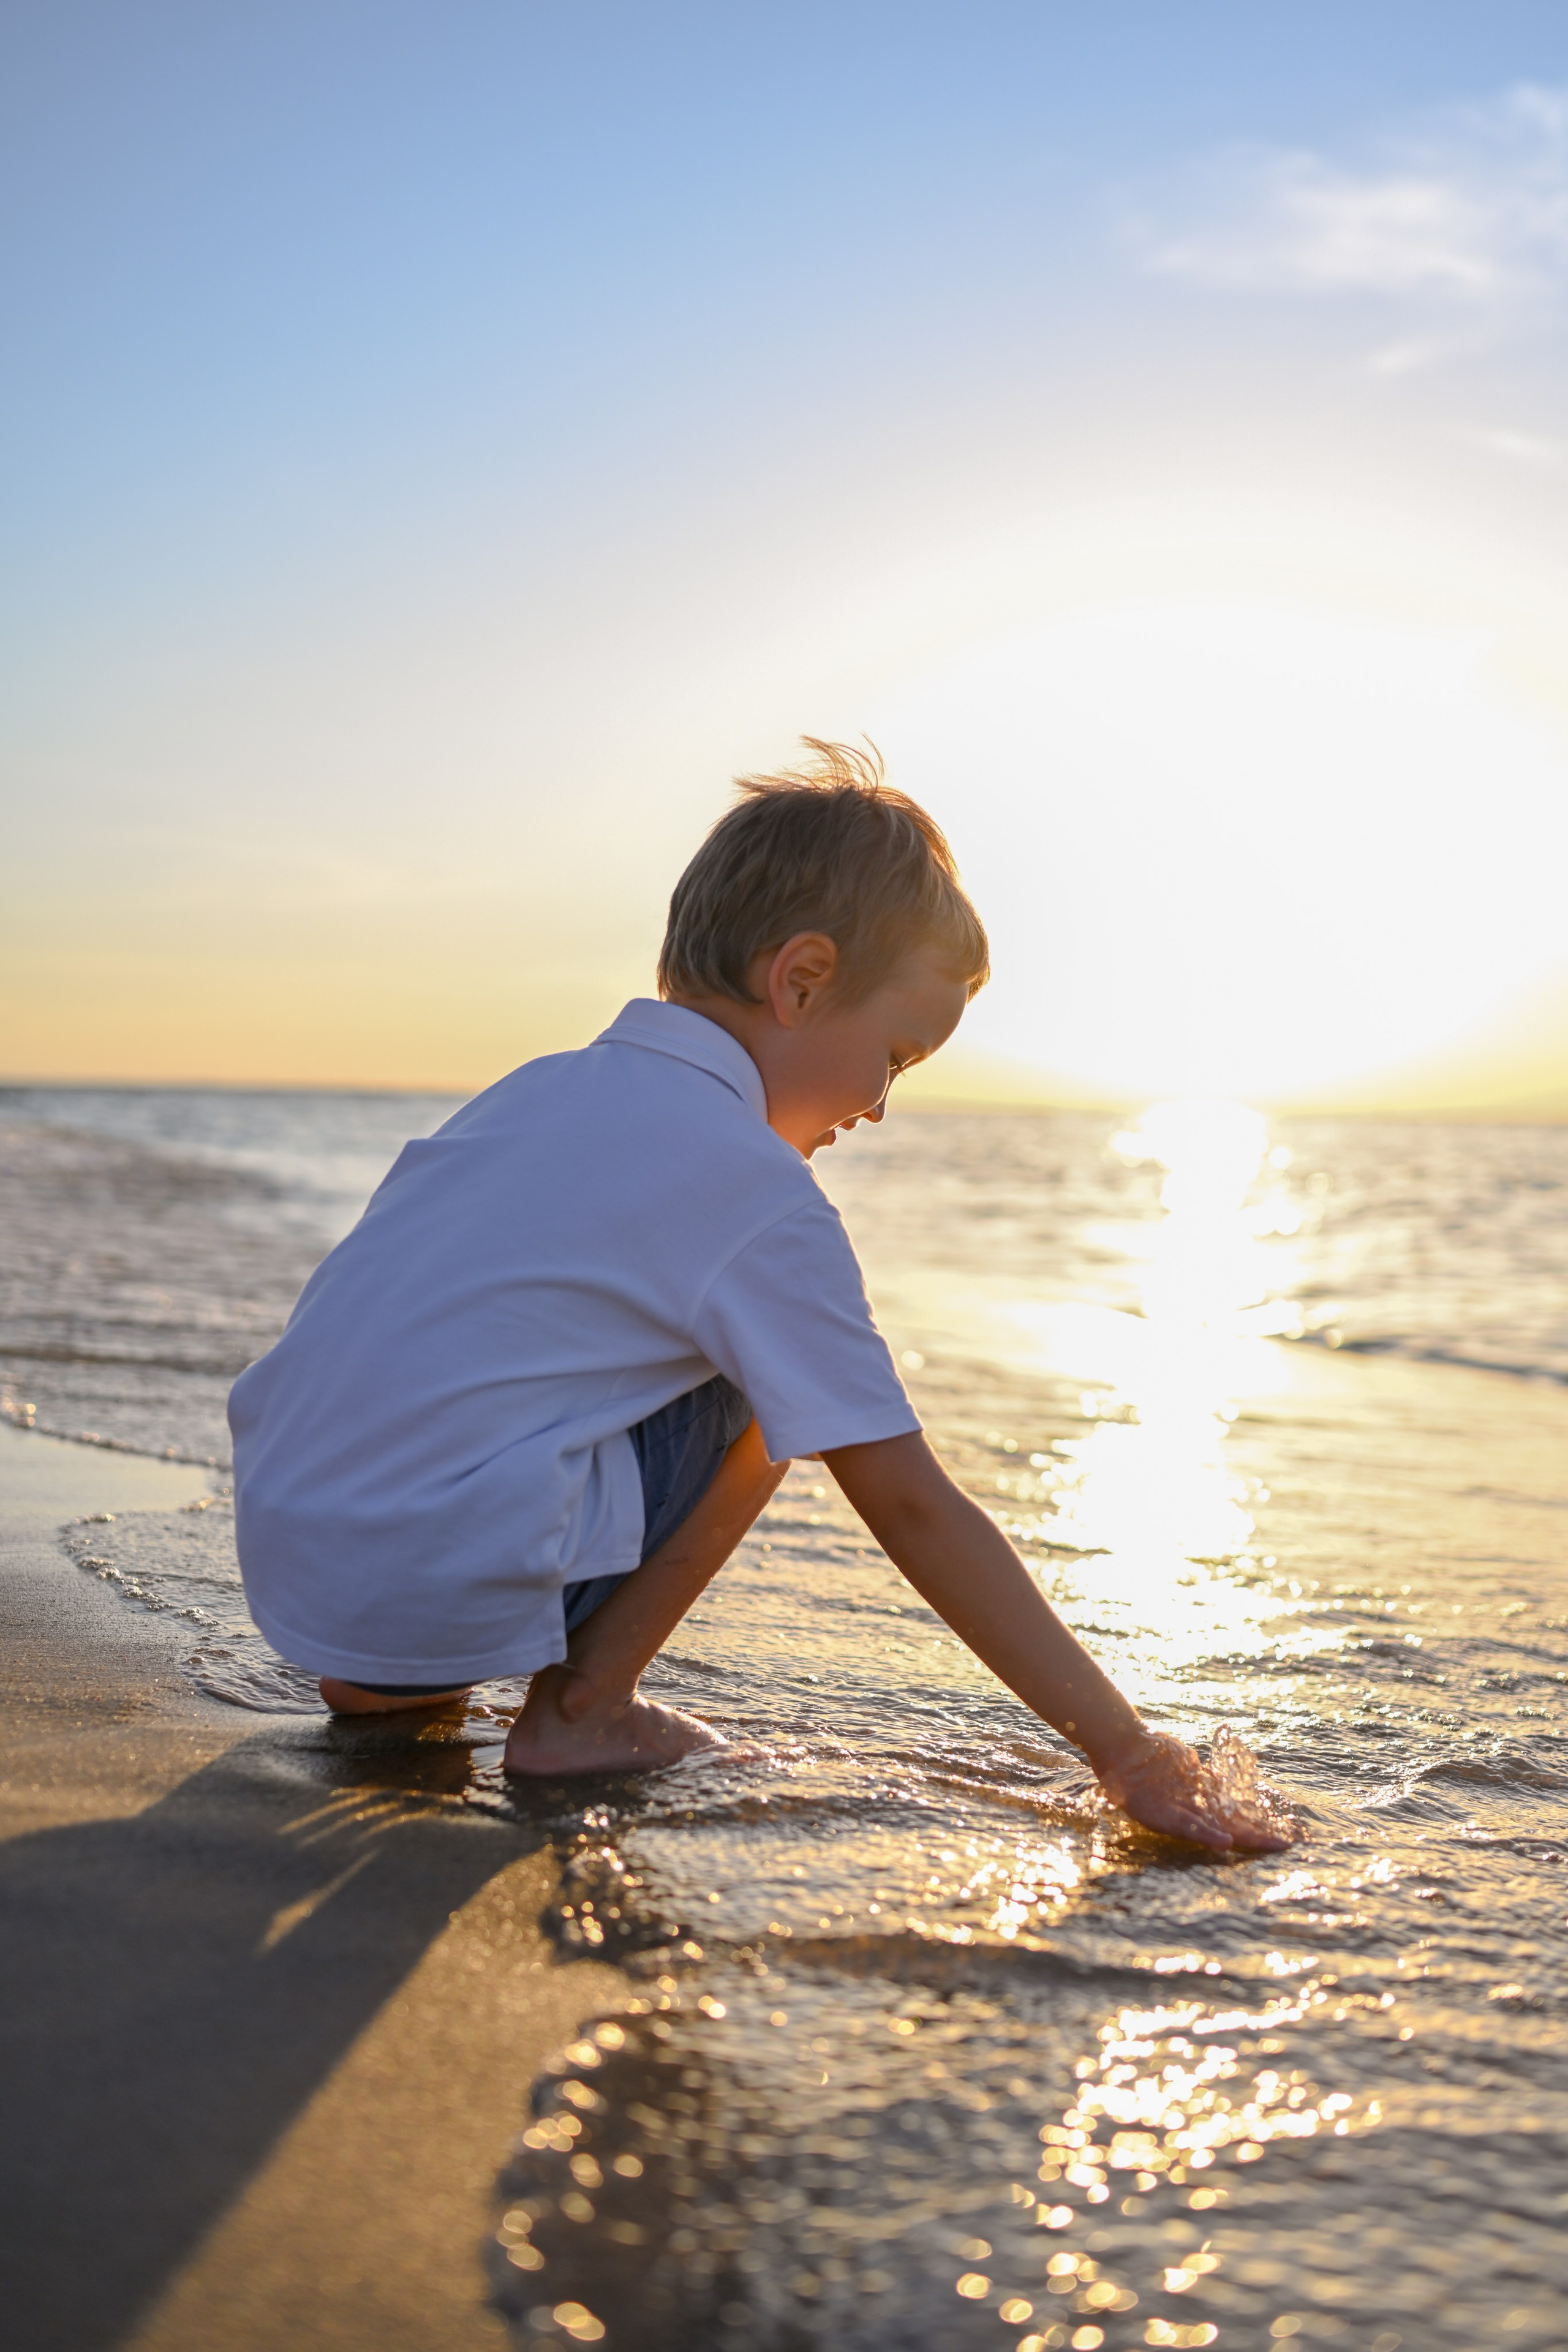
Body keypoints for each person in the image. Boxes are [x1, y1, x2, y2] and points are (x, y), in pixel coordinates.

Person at [229, 741, 1282, 1852]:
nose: (881, 1104)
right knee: (780, 1392)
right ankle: (585, 1714)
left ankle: (390, 1679)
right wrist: (1126, 1752)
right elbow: (910, 1501)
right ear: (803, 980)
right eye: (897, 1055)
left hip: (304, 1568)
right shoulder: (753, 1188)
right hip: (418, 1577)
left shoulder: (536, 1090)